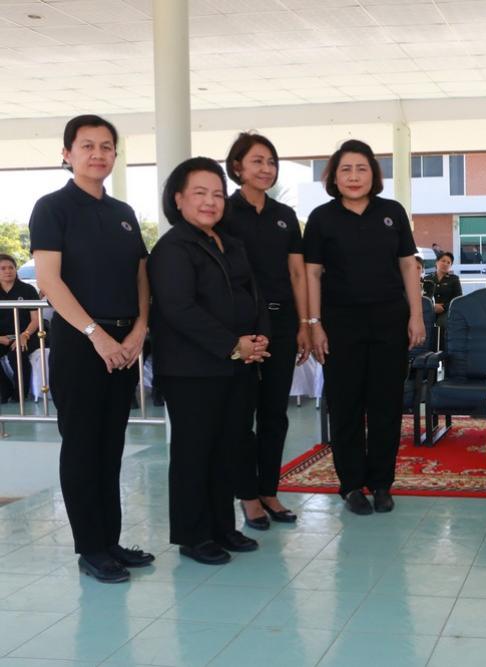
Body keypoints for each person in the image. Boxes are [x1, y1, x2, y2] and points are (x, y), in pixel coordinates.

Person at [29, 114, 152, 583]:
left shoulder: (123, 212)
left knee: (111, 446)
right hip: (81, 344)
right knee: (82, 447)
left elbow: (141, 275)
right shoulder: (52, 207)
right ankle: (91, 548)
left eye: (106, 146)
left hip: (123, 345)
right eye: (87, 146)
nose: (98, 154)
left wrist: (139, 329)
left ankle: (110, 540)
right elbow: (49, 281)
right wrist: (96, 335)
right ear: (67, 154)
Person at [149, 157, 270, 565]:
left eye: (217, 194)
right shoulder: (172, 248)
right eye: (199, 193)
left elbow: (253, 294)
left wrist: (260, 336)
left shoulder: (229, 242)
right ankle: (193, 535)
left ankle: (222, 527)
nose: (210, 202)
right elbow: (179, 309)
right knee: (194, 451)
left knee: (228, 447)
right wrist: (234, 344)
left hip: (236, 364)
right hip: (191, 370)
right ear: (178, 199)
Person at [304, 139, 424, 516]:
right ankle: (352, 485)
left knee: (387, 405)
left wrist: (416, 315)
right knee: (346, 407)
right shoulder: (322, 218)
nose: (354, 176)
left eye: (361, 169)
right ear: (334, 177)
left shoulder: (392, 212)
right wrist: (313, 324)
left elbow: (408, 265)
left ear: (373, 174)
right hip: (339, 324)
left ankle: (382, 484)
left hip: (389, 321)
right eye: (346, 169)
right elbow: (311, 273)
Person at [220, 132, 306, 530]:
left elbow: (297, 274)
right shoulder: (223, 211)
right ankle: (247, 496)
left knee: (275, 413)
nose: (266, 168)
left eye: (271, 162)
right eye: (257, 161)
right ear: (237, 166)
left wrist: (305, 323)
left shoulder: (284, 215)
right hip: (240, 325)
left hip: (283, 322)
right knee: (241, 414)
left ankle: (269, 490)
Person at [0, 254, 40, 402]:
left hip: (27, 334)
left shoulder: (28, 290)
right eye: (3, 268)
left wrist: (24, 335)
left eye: (11, 267)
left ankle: (20, 394)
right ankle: (5, 390)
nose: (8, 271)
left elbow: (36, 319)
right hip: (3, 337)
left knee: (16, 354)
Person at [422, 250, 463, 345]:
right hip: (430, 310)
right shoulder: (427, 279)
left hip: (447, 311)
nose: (445, 264)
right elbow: (424, 297)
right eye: (443, 261)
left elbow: (458, 298)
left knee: (442, 323)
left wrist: (443, 307)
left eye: (449, 262)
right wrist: (433, 306)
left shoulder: (454, 279)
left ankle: (442, 348)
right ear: (436, 262)